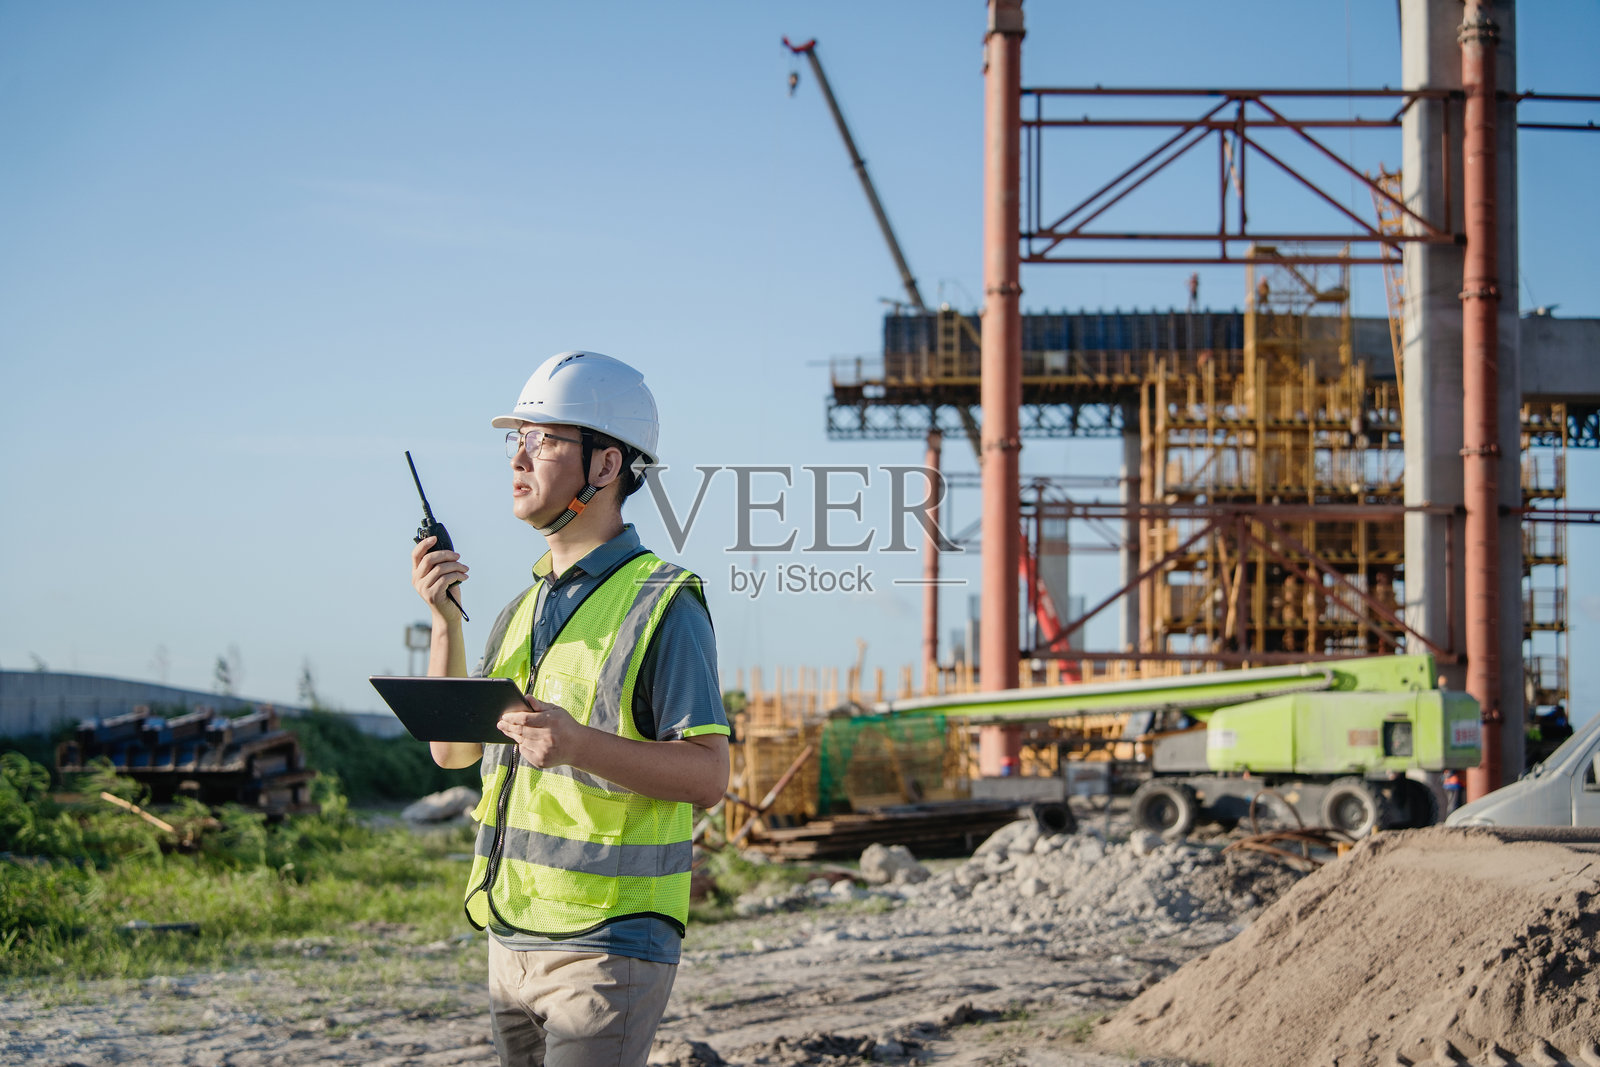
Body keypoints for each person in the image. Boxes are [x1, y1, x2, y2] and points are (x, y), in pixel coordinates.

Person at [410, 350, 730, 1066]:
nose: (519, 457)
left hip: (607, 942)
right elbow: (454, 752)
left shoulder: (664, 603)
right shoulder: (520, 610)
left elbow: (709, 776)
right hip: (511, 933)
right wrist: (444, 623)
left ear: (606, 465)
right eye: (515, 439)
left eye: (545, 439)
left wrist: (578, 743)